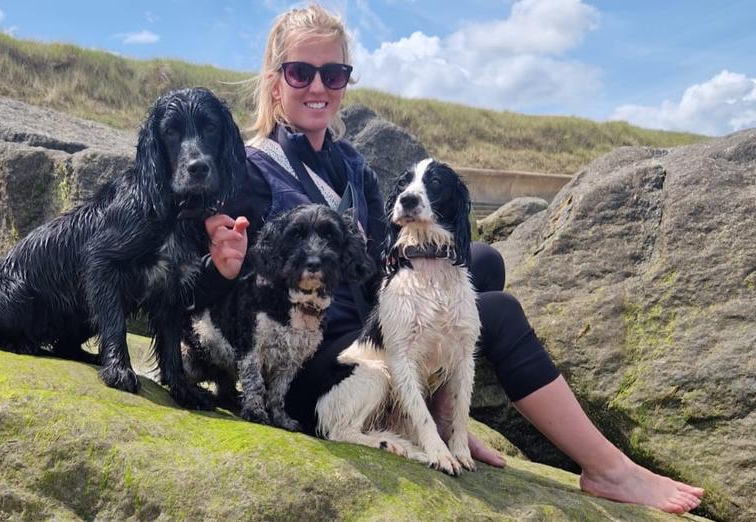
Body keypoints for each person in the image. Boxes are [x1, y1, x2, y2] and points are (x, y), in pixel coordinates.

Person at [196, 4, 704, 515]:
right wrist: (222, 267)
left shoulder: (351, 164)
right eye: (300, 72)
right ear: (275, 81)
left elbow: (379, 266)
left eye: (333, 74)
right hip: (315, 365)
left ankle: (441, 413)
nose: (318, 87)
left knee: (480, 262)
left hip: (364, 325)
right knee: (497, 311)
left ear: (346, 81)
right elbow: (198, 297)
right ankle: (609, 470)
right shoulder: (251, 170)